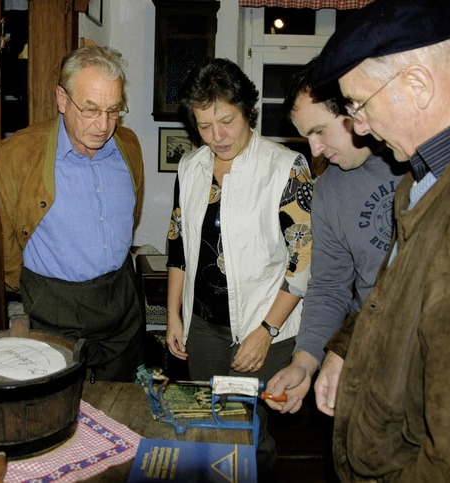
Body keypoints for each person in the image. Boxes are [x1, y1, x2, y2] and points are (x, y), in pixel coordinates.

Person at [310, 0, 450, 479]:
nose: (358, 126)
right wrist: (344, 348)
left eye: (358, 104)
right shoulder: (419, 181)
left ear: (416, 85)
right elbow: (394, 299)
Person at [165, 57, 313, 480]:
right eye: (205, 126)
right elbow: (179, 247)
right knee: (209, 426)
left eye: (227, 121)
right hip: (205, 329)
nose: (218, 136)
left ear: (248, 109)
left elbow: (301, 263)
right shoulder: (190, 167)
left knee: (251, 430)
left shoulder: (286, 167)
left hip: (265, 327)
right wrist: (175, 316)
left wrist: (265, 332)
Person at [0, 45, 145, 382]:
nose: (103, 124)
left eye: (113, 110)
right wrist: (32, 290)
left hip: (121, 305)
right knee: (59, 415)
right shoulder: (16, 155)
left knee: (120, 413)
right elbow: (4, 241)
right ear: (62, 99)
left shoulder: (129, 146)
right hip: (53, 310)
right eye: (90, 109)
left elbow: (129, 217)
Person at [265, 59, 408, 414]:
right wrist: (305, 360)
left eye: (320, 131)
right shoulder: (328, 190)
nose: (314, 150)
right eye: (305, 136)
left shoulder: (420, 161)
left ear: (353, 109)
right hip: (367, 357)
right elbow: (329, 287)